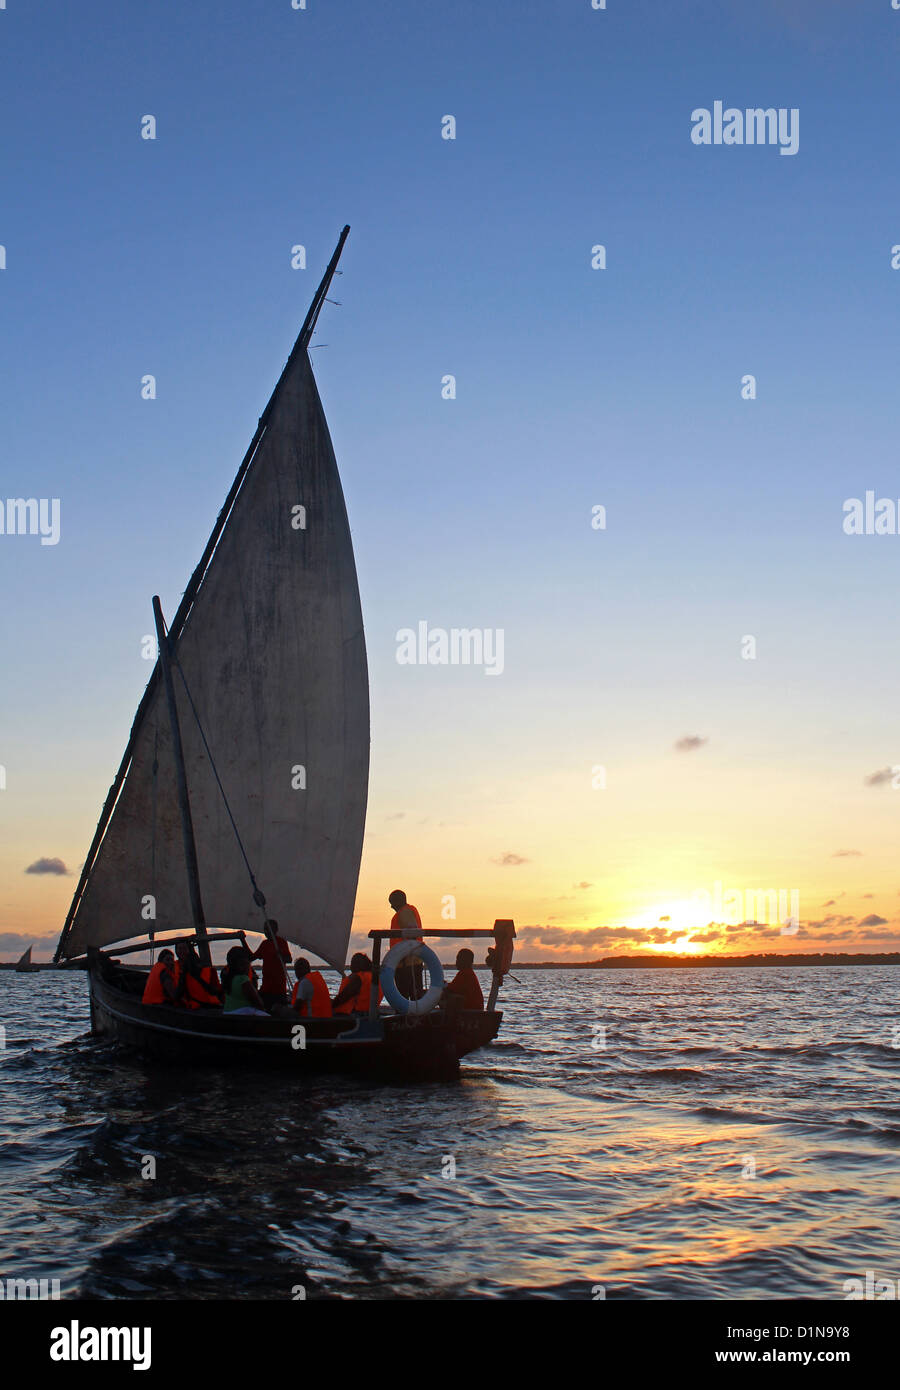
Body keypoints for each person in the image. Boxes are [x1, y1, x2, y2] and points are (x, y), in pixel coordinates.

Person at [387, 888, 425, 1001]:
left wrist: (403, 956)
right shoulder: (408, 910)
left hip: (407, 964)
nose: (391, 906)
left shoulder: (405, 912)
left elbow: (412, 934)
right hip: (409, 962)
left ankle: (406, 1018)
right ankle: (412, 1017)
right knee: (413, 995)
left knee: (404, 996)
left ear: (398, 901)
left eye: (392, 903)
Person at [251, 920, 292, 1009]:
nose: (266, 931)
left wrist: (280, 954)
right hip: (266, 988)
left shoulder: (281, 942)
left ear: (275, 929)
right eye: (265, 929)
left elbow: (289, 959)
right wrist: (243, 940)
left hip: (278, 990)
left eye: (268, 929)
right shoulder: (264, 944)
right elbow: (251, 957)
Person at [221, 946, 269, 1016]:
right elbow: (258, 1003)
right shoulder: (243, 979)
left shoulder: (227, 978)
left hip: (227, 1012)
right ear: (242, 964)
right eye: (248, 963)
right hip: (242, 1013)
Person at [173, 942, 222, 1009]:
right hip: (198, 1006)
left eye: (184, 948)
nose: (182, 951)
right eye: (180, 949)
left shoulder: (209, 971)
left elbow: (216, 991)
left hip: (209, 1006)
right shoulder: (182, 972)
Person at [442, 948, 484, 1012]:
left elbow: (450, 989)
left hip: (471, 1011)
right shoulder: (468, 973)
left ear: (466, 961)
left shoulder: (465, 973)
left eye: (459, 959)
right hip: (475, 1009)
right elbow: (454, 987)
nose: (456, 961)